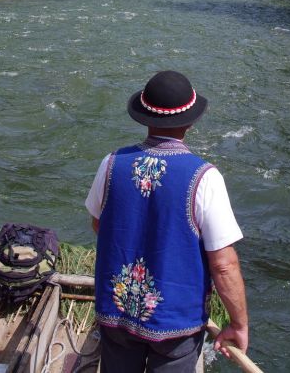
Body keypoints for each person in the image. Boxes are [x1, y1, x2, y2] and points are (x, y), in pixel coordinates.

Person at [85, 70, 249, 372]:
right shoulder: (204, 178)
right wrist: (238, 324)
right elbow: (223, 264)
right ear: (190, 122)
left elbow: (99, 225)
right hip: (175, 322)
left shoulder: (110, 164)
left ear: (145, 117)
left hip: (118, 312)